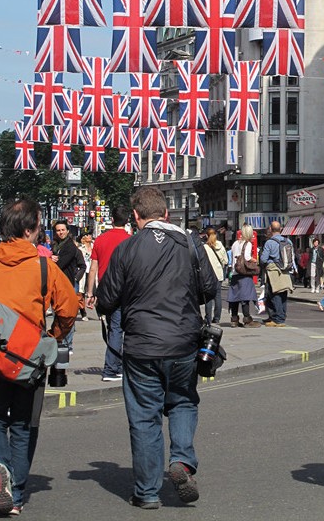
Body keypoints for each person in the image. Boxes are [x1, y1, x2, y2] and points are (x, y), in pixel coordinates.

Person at [95, 185, 216, 509]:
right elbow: (209, 288)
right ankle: (181, 461)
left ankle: (147, 492)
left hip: (141, 347)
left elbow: (105, 300)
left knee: (144, 417)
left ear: (135, 217)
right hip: (183, 344)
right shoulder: (190, 244)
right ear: (166, 214)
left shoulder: (126, 248)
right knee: (183, 402)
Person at [0, 198, 78, 515]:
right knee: (24, 426)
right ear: (28, 229)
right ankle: (17, 495)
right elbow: (69, 309)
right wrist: (54, 338)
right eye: (38, 225)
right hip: (30, 362)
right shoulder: (43, 267)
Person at [85, 206, 131, 381]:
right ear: (127, 221)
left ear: (112, 220)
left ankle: (117, 366)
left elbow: (93, 269)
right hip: (124, 290)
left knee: (114, 328)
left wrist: (89, 293)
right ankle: (111, 369)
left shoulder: (100, 240)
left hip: (105, 290)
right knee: (118, 330)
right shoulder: (130, 240)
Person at [52, 220, 86, 353]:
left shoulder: (70, 247)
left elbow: (61, 264)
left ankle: (68, 344)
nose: (60, 232)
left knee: (67, 315)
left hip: (68, 284)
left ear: (67, 231)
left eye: (62, 230)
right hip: (57, 284)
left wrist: (76, 279)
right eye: (58, 230)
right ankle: (60, 340)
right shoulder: (55, 246)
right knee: (59, 314)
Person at [260, 221, 293, 327]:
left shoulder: (269, 242)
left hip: (273, 271)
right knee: (283, 293)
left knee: (274, 294)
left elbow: (263, 259)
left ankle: (277, 319)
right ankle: (280, 316)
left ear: (270, 228)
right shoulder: (288, 241)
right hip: (285, 270)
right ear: (281, 229)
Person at [228, 224, 258, 327]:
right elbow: (247, 257)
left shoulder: (235, 243)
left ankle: (234, 319)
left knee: (234, 298)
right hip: (244, 274)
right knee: (245, 297)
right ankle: (247, 319)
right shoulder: (247, 244)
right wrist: (254, 260)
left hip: (235, 273)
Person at [202, 227, 228, 325]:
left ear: (207, 235)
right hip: (219, 274)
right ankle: (217, 318)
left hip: (208, 275)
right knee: (218, 296)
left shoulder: (205, 247)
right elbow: (225, 261)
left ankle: (208, 318)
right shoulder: (221, 246)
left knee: (208, 297)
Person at [77, 231, 93, 321]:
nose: (89, 236)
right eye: (87, 235)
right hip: (83, 272)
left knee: (95, 291)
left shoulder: (94, 247)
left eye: (90, 235)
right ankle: (83, 313)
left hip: (92, 272)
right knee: (81, 293)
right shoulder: (80, 249)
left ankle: (100, 312)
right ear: (83, 238)